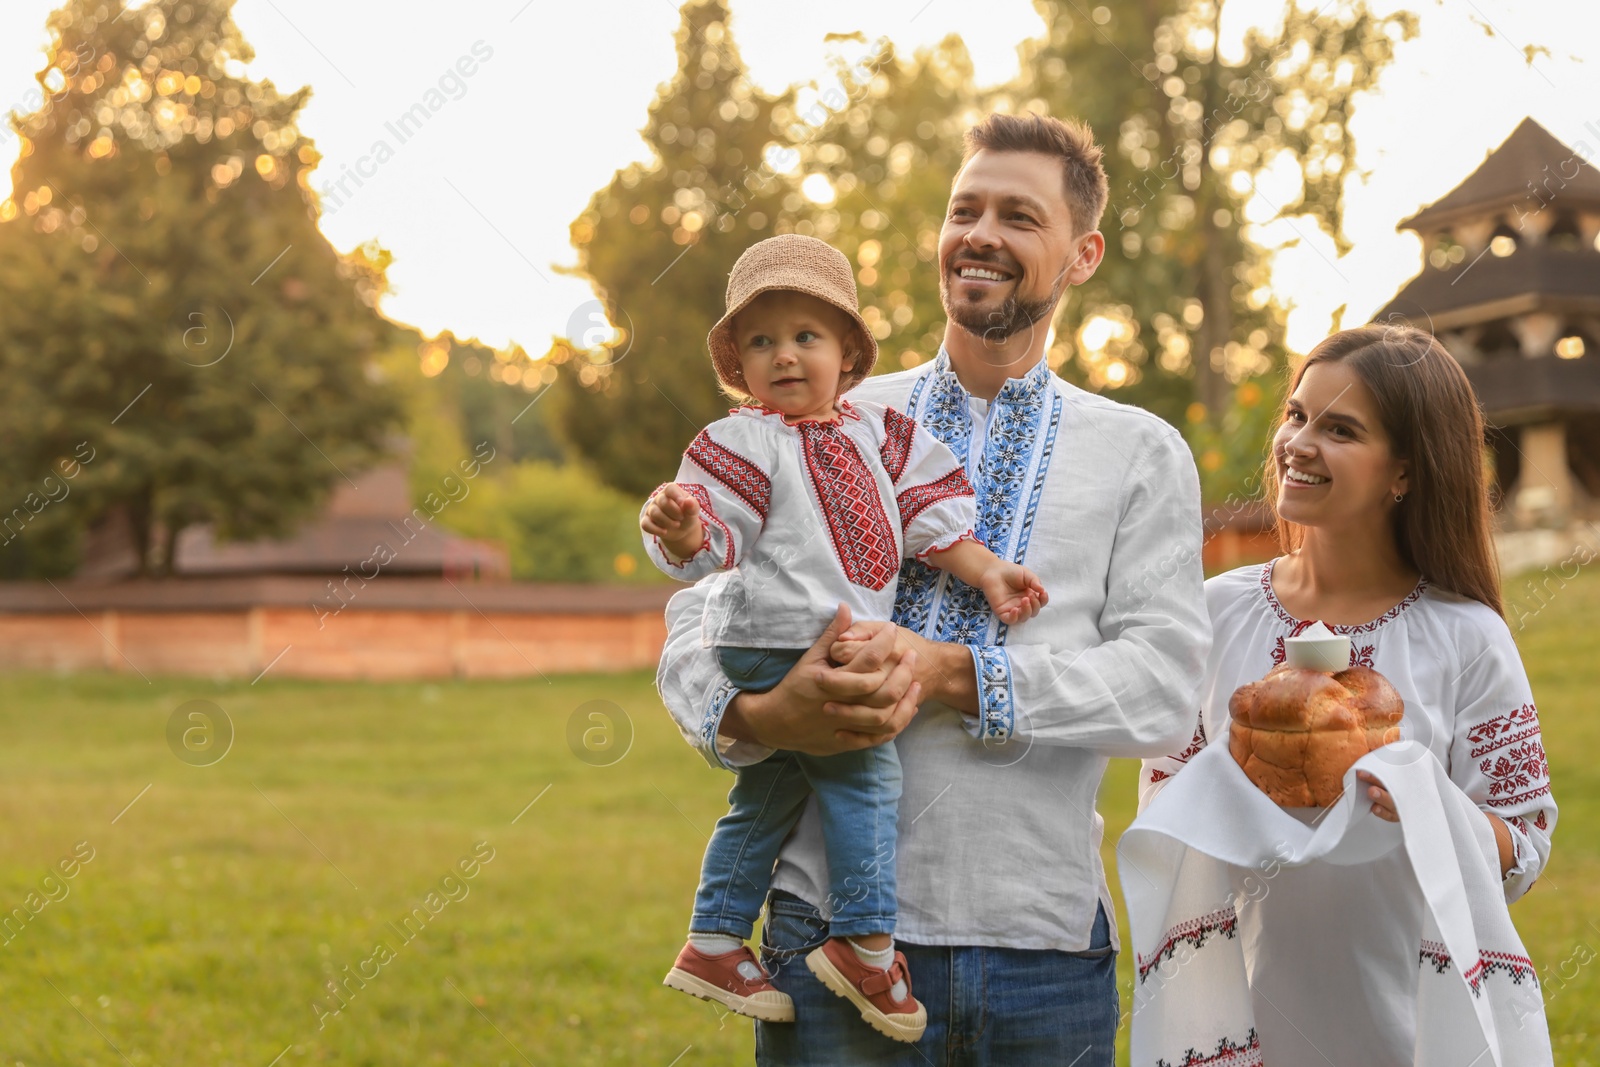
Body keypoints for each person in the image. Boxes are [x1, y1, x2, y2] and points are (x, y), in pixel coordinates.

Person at [655, 111, 1210, 1066]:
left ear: (1083, 254)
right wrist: (759, 713)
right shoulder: (821, 410)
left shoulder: (1138, 452)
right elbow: (693, 613)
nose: (981, 233)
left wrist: (957, 672)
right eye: (966, 209)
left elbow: (1164, 691)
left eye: (1019, 216)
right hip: (819, 932)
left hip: (1042, 945)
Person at [643, 233, 1047, 1043]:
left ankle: (716, 937)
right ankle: (865, 943)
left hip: (804, 640)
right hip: (782, 638)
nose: (783, 356)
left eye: (805, 336)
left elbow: (930, 521)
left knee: (772, 789)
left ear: (848, 352)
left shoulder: (880, 435)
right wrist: (687, 531)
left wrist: (990, 571)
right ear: (739, 365)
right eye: (761, 341)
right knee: (867, 778)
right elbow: (715, 535)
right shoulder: (742, 441)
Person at [1130, 325, 1558, 1064]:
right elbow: (1162, 805)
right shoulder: (1213, 611)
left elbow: (1524, 847)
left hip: (1413, 1019)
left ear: (1404, 471)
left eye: (1340, 429)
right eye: (1296, 415)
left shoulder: (1466, 636)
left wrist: (1426, 803)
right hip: (1246, 1010)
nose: (1298, 442)